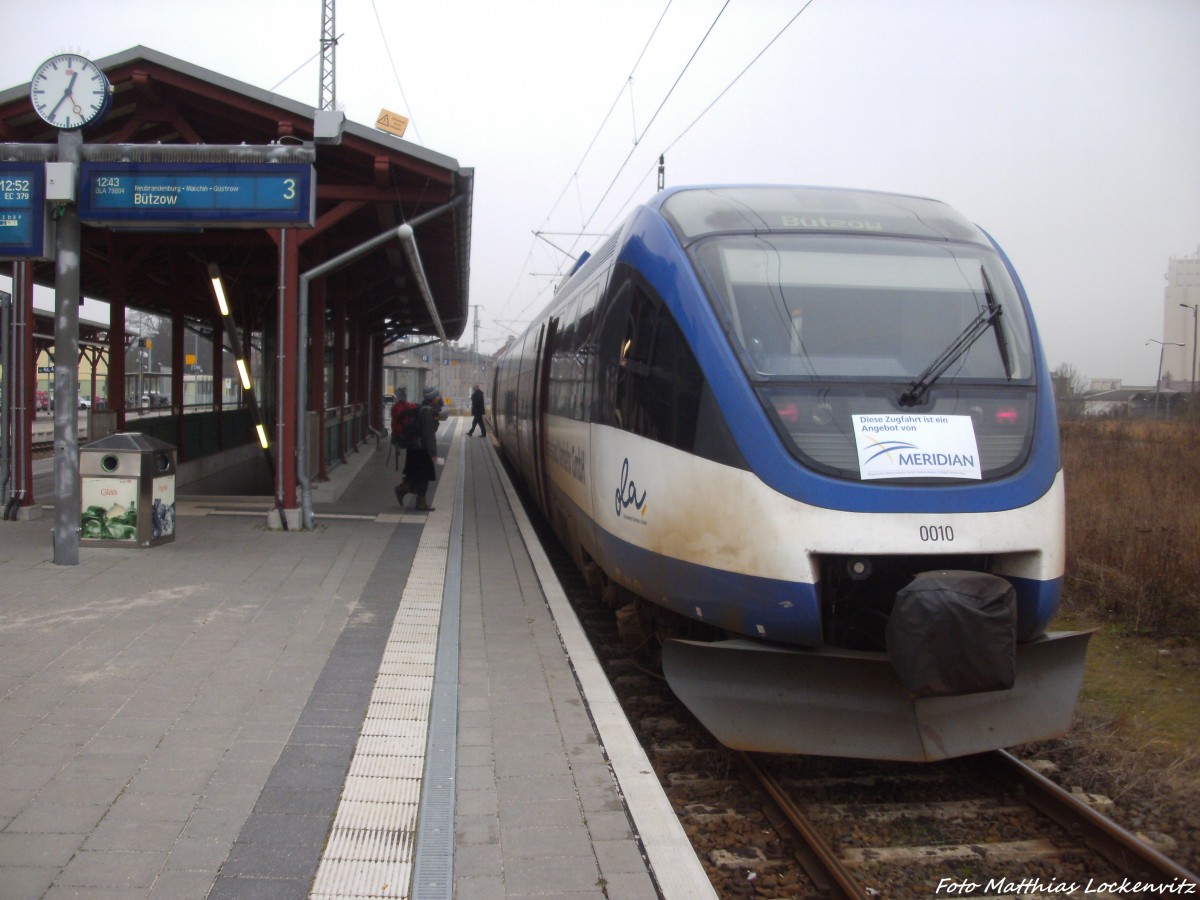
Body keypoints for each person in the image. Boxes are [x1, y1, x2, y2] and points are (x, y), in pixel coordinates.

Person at [395, 385, 442, 511]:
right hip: (421, 449)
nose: (439, 397)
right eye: (437, 396)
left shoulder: (425, 408)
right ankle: (419, 501)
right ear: (432, 398)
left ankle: (403, 489)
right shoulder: (427, 411)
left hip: (415, 448)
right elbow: (429, 433)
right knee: (423, 476)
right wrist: (433, 453)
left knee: (416, 475)